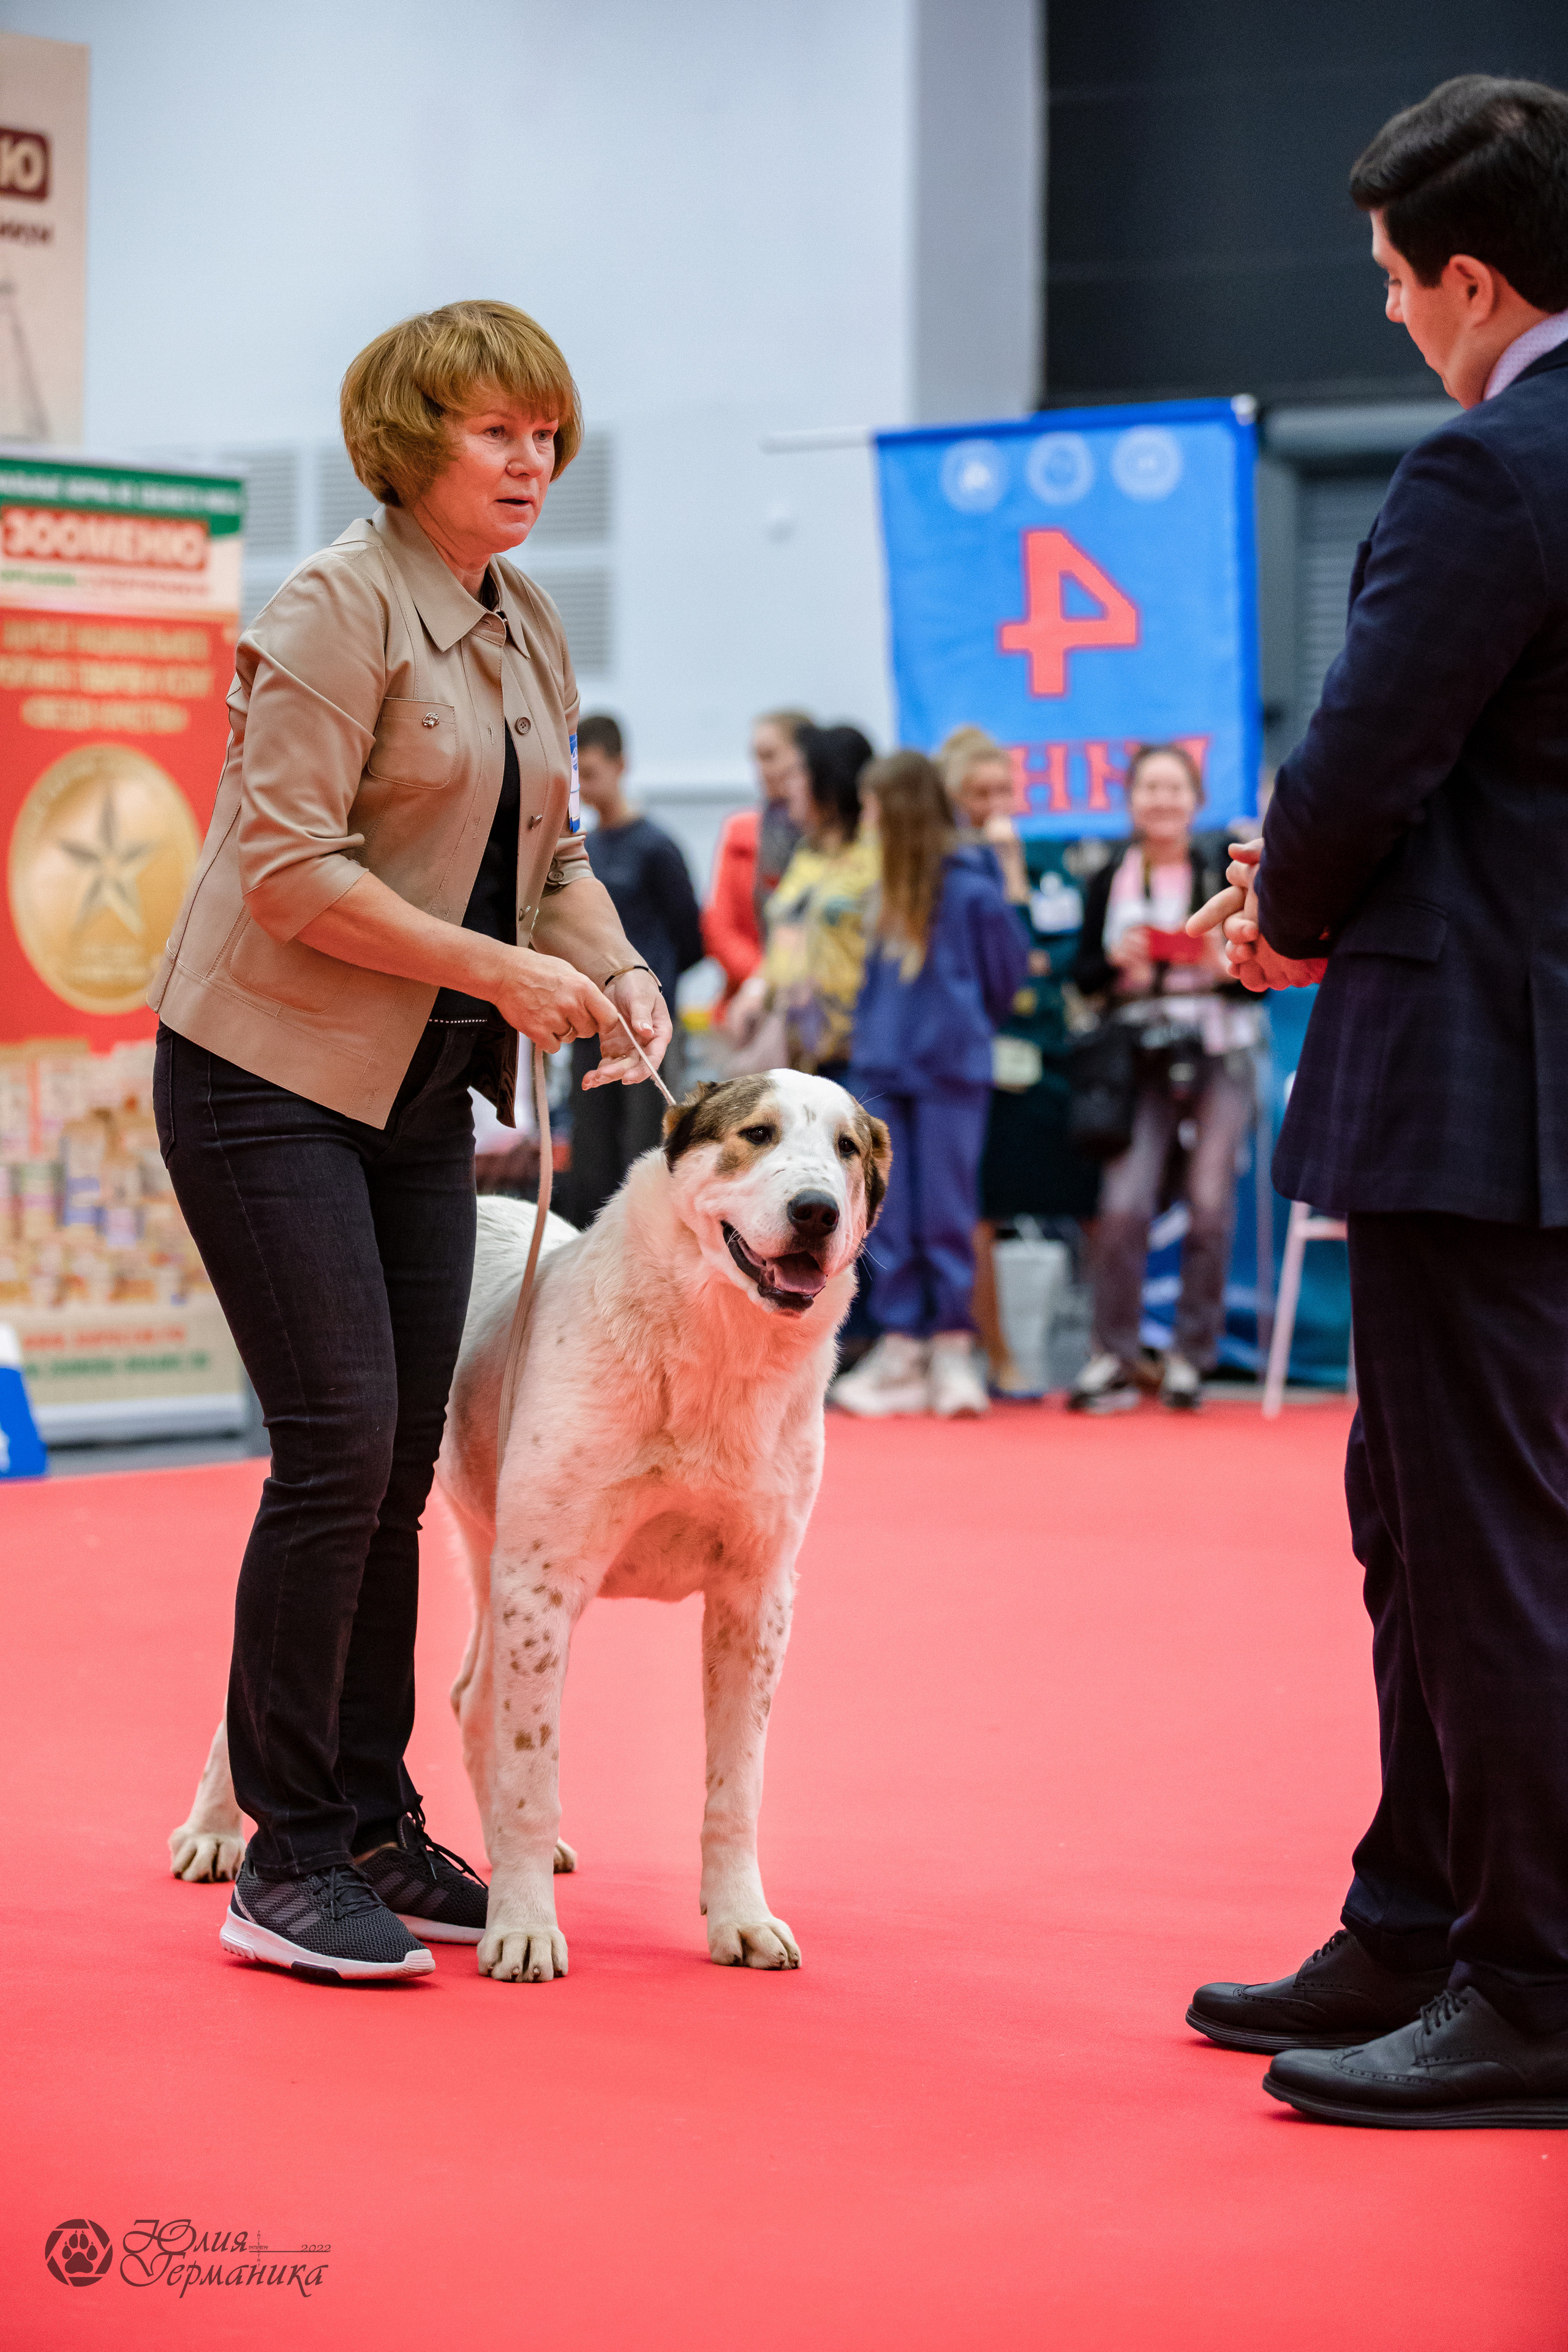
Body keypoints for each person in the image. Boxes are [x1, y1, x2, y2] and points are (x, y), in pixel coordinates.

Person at [148, 301, 669, 1983]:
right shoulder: (330, 608)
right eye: (496, 434)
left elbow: (553, 852)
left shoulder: (526, 624)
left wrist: (615, 966)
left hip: (412, 1096)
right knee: (339, 1445)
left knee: (394, 1464)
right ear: (408, 443)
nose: (530, 465)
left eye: (547, 439)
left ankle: (371, 1820)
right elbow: (291, 871)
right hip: (262, 1072)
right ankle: (280, 1854)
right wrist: (500, 970)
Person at [1184, 77, 1568, 2128]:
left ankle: (1532, 1979)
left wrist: (1278, 914)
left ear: (1479, 277)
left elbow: (1358, 765)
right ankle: (1422, 1911)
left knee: (1481, 1541)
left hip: (1488, 1080)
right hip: (1530, 1068)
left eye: (1403, 288)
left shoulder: (1491, 473)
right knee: (1429, 1528)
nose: (1396, 321)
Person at [831, 752, 1027, 1419]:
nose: (867, 819)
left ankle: (951, 1346)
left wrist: (957, 1029)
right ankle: (901, 1349)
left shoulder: (972, 887)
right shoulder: (883, 890)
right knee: (886, 1218)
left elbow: (1005, 977)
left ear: (898, 808)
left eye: (874, 806)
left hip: (947, 1072)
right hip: (884, 1073)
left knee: (946, 1212)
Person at [1066, 744, 1258, 1414]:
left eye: (1174, 788)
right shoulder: (1106, 878)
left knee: (1210, 1201)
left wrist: (1219, 964)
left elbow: (1260, 983)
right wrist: (1115, 962)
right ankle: (1112, 1354)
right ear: (1130, 800)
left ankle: (1189, 1356)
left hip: (1216, 1043)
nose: (1161, 801)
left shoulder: (1225, 870)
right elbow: (1080, 976)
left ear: (1195, 799)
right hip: (1134, 1051)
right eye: (1149, 788)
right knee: (1123, 1204)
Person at [938, 728, 1099, 1397]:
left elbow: (1059, 955)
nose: (992, 804)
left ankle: (1101, 1349)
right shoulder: (944, 869)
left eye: (1001, 790)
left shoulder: (1046, 859)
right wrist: (1015, 926)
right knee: (981, 1212)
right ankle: (996, 1353)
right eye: (977, 793)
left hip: (1049, 1056)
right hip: (977, 1060)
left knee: (1085, 1201)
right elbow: (998, 963)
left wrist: (1015, 887)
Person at [564, 712, 703, 1226]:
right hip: (593, 1024)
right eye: (579, 774)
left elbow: (692, 939)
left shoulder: (655, 848)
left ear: (622, 766)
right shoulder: (586, 850)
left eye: (594, 772)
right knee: (591, 1156)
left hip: (646, 1027)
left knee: (645, 1151)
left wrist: (649, 987)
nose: (584, 785)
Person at [753, 723, 879, 1077]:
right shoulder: (807, 854)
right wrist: (758, 987)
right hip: (798, 1044)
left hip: (854, 1048)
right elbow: (788, 930)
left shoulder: (874, 857)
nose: (788, 785)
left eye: (798, 774)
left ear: (829, 783)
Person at [703, 707, 812, 1010]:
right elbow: (719, 926)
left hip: (815, 995)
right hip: (749, 998)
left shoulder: (829, 837)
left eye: (769, 756)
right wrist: (765, 980)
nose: (760, 768)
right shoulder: (740, 831)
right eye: (756, 757)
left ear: (803, 757)